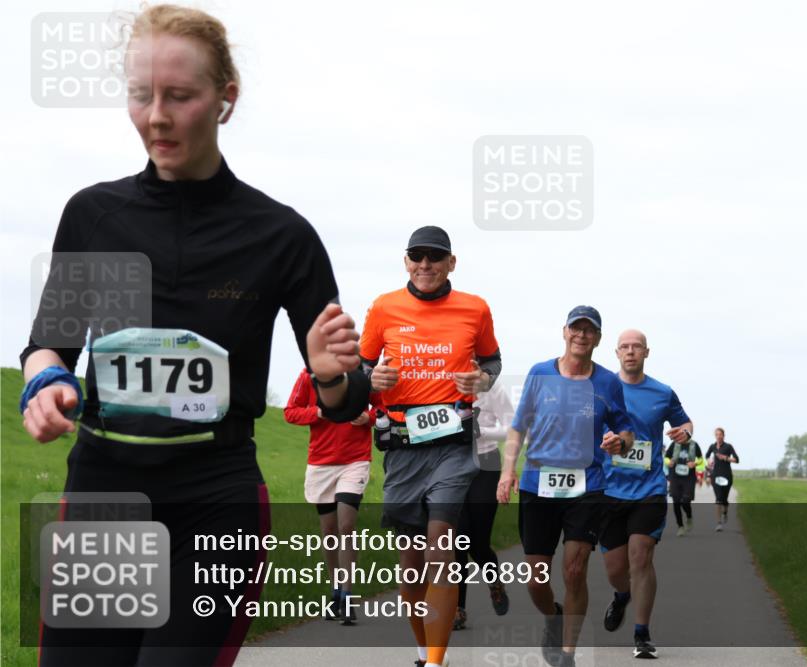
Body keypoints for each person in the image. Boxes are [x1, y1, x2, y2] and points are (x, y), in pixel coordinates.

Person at [19, 6, 369, 666]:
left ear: (225, 99)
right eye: (140, 95)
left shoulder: (281, 237)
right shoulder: (93, 215)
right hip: (105, 496)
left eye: (180, 96)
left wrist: (329, 374)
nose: (156, 116)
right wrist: (45, 382)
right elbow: (50, 344)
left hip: (215, 500)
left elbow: (347, 401)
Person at [359, 225, 502, 667]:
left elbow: (493, 361)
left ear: (451, 263)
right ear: (406, 261)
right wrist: (370, 379)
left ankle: (436, 662)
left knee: (441, 542)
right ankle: (423, 650)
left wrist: (481, 380)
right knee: (412, 560)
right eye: (417, 257)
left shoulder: (475, 308)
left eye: (435, 258)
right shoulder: (383, 308)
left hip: (453, 443)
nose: (426, 265)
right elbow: (361, 367)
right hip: (402, 446)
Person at [497, 306, 635, 667]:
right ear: (565, 332)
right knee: (535, 579)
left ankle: (568, 655)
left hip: (587, 485)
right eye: (576, 328)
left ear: (598, 339)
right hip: (537, 483)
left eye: (589, 331)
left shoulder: (608, 383)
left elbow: (627, 431)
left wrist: (620, 443)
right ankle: (553, 616)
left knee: (574, 570)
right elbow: (518, 426)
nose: (582, 335)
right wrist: (507, 470)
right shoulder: (540, 373)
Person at [599, 329, 693, 660]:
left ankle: (641, 632)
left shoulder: (662, 392)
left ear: (646, 353)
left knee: (641, 556)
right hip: (609, 491)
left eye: (636, 347)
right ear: (616, 352)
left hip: (649, 488)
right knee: (615, 568)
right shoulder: (601, 387)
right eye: (624, 347)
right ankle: (622, 594)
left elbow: (686, 424)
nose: (630, 352)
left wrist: (684, 433)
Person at [285, 368, 380, 624]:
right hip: (321, 463)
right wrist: (316, 412)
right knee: (329, 531)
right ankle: (336, 589)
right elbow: (290, 412)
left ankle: (348, 596)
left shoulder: (362, 375)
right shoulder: (309, 375)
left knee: (346, 525)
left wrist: (367, 418)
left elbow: (383, 410)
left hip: (355, 459)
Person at [453, 380, 513, 631]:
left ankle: (494, 581)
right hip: (451, 463)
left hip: (485, 465)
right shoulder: (441, 382)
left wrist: (479, 431)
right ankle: (458, 608)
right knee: (457, 539)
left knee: (477, 542)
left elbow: (513, 429)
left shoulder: (493, 388)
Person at [664, 436, 703, 537]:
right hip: (675, 477)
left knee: (685, 501)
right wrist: (669, 462)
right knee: (676, 502)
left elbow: (701, 459)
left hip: (688, 477)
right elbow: (666, 457)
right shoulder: (674, 444)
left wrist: (694, 463)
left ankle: (689, 517)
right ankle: (680, 526)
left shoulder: (694, 444)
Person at [705, 427, 740, 531]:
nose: (718, 436)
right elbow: (706, 456)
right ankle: (719, 523)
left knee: (724, 499)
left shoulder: (728, 446)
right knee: (718, 499)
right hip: (715, 475)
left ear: (723, 436)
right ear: (715, 436)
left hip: (726, 475)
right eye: (716, 434)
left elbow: (737, 460)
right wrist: (709, 461)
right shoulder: (712, 446)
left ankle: (725, 512)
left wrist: (726, 458)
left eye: (720, 434)